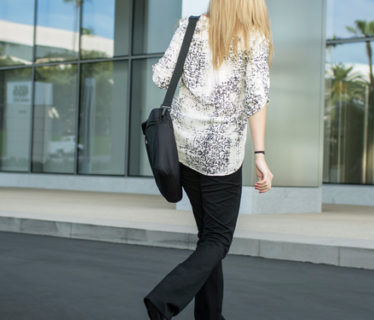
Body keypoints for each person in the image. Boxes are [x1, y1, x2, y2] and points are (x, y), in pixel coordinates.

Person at [143, 0, 273, 319]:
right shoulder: (253, 37)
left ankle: (210, 316)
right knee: (217, 240)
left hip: (183, 149)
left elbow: (161, 76)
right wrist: (260, 155)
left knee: (208, 241)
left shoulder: (189, 27)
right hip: (221, 155)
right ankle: (164, 299)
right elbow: (257, 98)